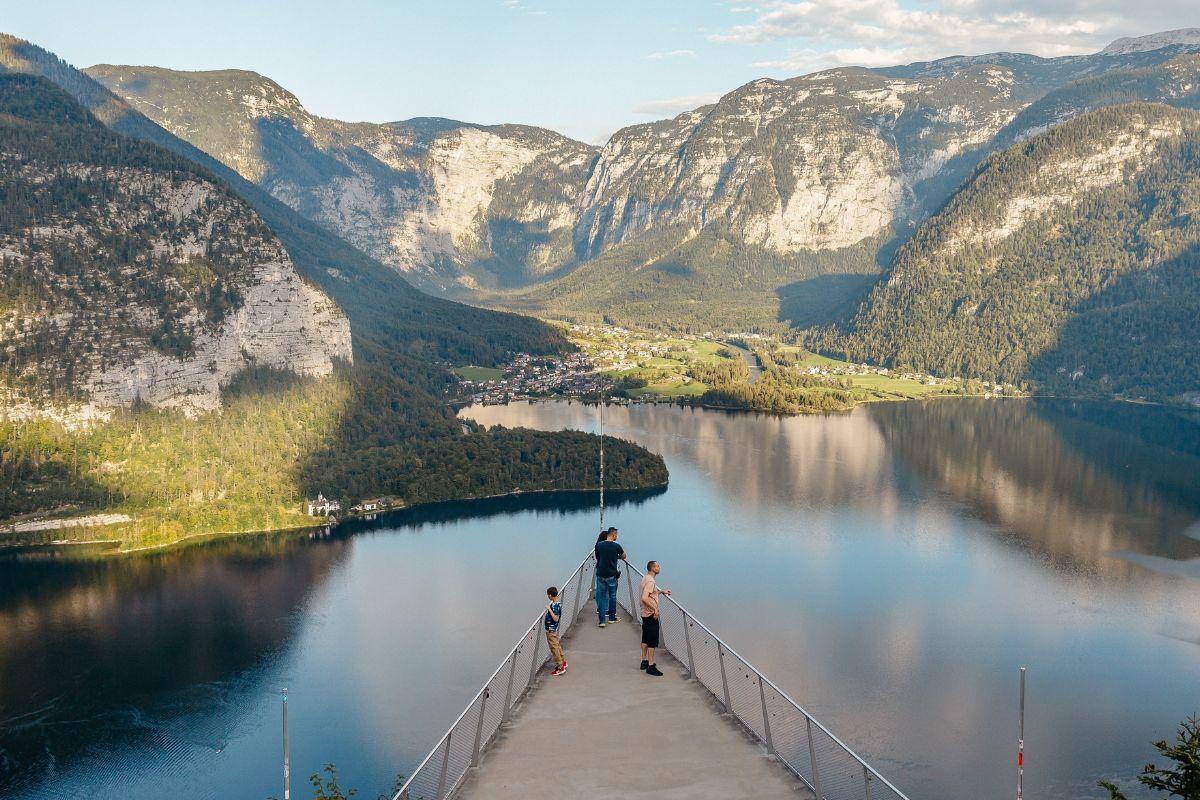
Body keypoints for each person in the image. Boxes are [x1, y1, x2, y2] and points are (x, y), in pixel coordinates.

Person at [639, 560, 671, 676]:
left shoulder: (646, 578)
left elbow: (650, 593)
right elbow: (644, 598)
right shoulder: (651, 581)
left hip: (644, 613)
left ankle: (644, 662)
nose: (659, 567)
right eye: (657, 566)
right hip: (650, 614)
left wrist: (661, 591)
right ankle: (651, 666)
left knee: (645, 638)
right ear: (652, 568)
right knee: (652, 640)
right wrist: (655, 609)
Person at [594, 527, 625, 627]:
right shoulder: (616, 546)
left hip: (600, 574)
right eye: (616, 535)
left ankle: (602, 621)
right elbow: (624, 556)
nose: (617, 536)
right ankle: (612, 618)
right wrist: (617, 556)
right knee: (612, 596)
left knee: (602, 597)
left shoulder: (599, 545)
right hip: (611, 575)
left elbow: (598, 556)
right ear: (613, 534)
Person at [544, 586, 567, 676]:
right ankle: (563, 662)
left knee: (554, 648)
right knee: (557, 645)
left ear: (550, 595)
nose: (548, 596)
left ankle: (560, 667)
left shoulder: (554, 606)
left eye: (548, 595)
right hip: (554, 629)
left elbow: (556, 618)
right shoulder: (558, 603)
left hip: (551, 630)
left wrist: (549, 609)